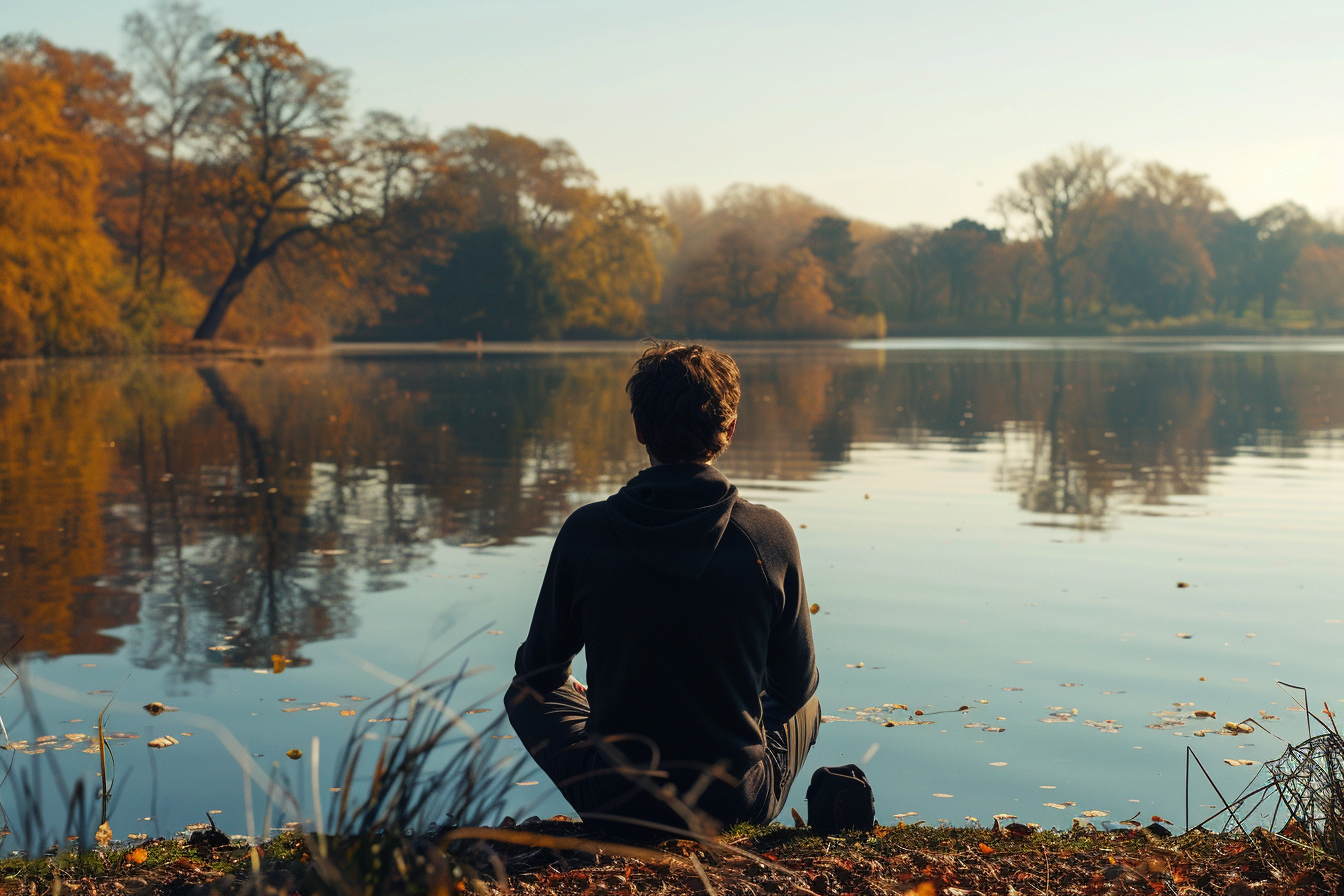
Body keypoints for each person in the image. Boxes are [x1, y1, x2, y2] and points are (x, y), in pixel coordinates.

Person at [505, 340, 820, 840]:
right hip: (733, 802)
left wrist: (590, 701)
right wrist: (740, 716)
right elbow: (797, 688)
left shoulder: (587, 532)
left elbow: (537, 675)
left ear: (638, 428)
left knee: (525, 695)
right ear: (730, 430)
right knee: (809, 704)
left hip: (617, 799)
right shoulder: (768, 536)